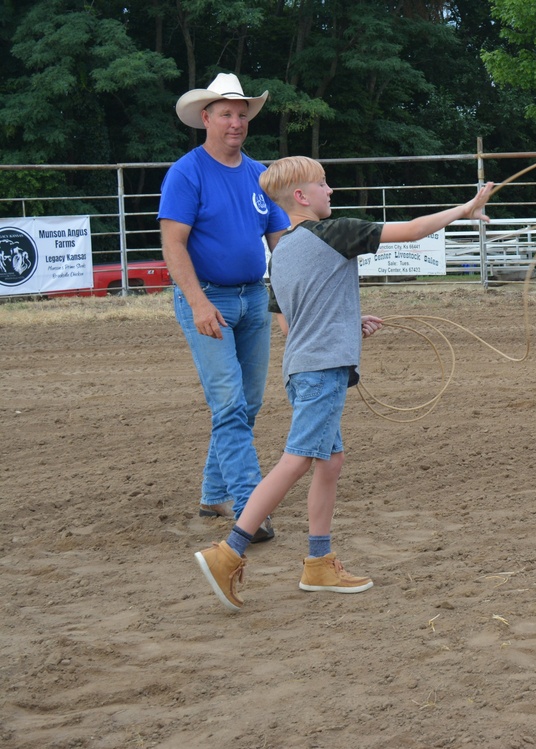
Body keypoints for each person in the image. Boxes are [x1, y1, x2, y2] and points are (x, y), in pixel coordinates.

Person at [194, 155, 494, 611]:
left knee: (328, 461)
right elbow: (412, 230)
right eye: (323, 183)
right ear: (301, 196)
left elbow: (291, 323)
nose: (329, 190)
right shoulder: (332, 233)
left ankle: (319, 563)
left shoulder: (283, 251)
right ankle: (230, 550)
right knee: (296, 461)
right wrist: (464, 209)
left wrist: (347, 324)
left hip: (303, 368)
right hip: (321, 373)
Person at [158, 73, 290, 543]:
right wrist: (196, 302)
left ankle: (214, 494)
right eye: (226, 114)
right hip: (209, 298)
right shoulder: (187, 172)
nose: (236, 122)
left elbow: (282, 242)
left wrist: (288, 301)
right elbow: (173, 243)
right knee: (231, 403)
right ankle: (248, 503)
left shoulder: (260, 174)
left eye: (242, 114)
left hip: (252, 296)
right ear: (206, 118)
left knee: (245, 405)